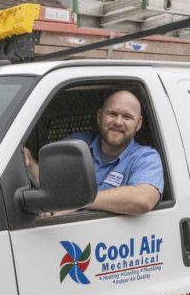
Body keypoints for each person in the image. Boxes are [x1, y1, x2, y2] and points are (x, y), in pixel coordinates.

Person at [25, 90, 164, 215]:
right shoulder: (76, 144)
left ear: (138, 124)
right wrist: (30, 163)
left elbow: (143, 199)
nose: (118, 122)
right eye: (112, 114)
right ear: (99, 116)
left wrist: (79, 201)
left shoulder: (146, 157)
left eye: (127, 117)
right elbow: (51, 183)